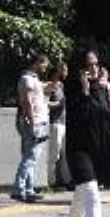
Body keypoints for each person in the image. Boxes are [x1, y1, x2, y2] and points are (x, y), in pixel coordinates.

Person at [61, 48, 110, 217]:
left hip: (97, 151)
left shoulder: (101, 89)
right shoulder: (73, 88)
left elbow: (106, 120)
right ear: (80, 69)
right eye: (88, 65)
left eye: (96, 64)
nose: (93, 68)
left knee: (81, 199)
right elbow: (83, 114)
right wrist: (84, 90)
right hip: (78, 150)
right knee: (91, 194)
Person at [10, 53, 50, 203]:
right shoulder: (27, 79)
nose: (45, 67)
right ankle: (18, 189)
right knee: (30, 157)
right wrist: (32, 123)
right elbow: (26, 103)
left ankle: (28, 189)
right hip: (34, 122)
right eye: (44, 63)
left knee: (30, 157)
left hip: (38, 121)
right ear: (36, 63)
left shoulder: (33, 79)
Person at [44, 61, 71, 193]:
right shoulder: (51, 86)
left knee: (65, 153)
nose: (66, 72)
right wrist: (59, 103)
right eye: (63, 69)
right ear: (57, 71)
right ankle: (50, 182)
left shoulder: (62, 85)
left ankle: (67, 181)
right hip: (54, 122)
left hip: (64, 122)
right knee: (54, 154)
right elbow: (44, 103)